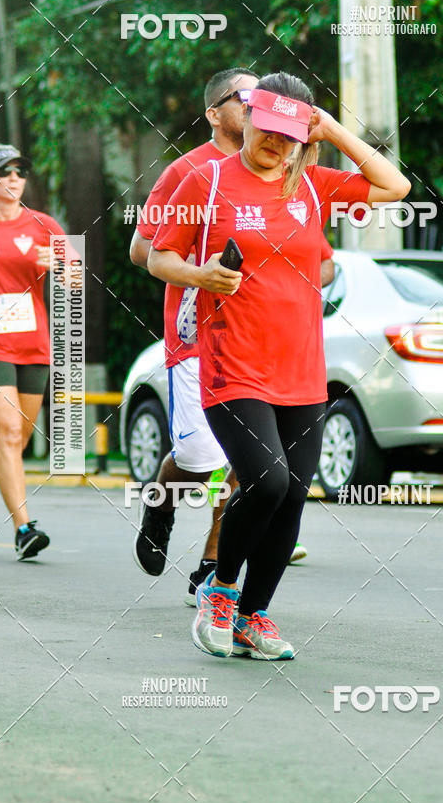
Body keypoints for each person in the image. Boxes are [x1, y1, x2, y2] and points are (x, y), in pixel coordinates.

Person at [148, 71, 411, 660]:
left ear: (302, 134)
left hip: (301, 368)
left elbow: (395, 186)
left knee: (293, 495)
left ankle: (253, 616)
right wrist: (201, 275)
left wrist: (334, 130)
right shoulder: (206, 181)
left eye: (288, 133)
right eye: (266, 128)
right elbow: (159, 257)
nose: (274, 142)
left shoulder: (313, 184)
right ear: (248, 118)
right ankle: (218, 590)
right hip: (230, 363)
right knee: (264, 482)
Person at [130, 68, 258, 599]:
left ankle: (212, 564)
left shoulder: (274, 169)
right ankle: (161, 499)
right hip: (196, 336)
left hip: (255, 338)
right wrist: (201, 272)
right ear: (214, 113)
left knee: (250, 460)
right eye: (243, 97)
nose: (256, 105)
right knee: (201, 460)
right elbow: (142, 252)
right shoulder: (187, 172)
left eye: (263, 96)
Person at [0, 145, 70, 558]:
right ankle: (24, 529)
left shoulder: (44, 225)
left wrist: (60, 267)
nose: (15, 178)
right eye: (4, 172)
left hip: (32, 346)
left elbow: (77, 284)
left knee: (14, 436)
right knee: (10, 432)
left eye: (20, 172)